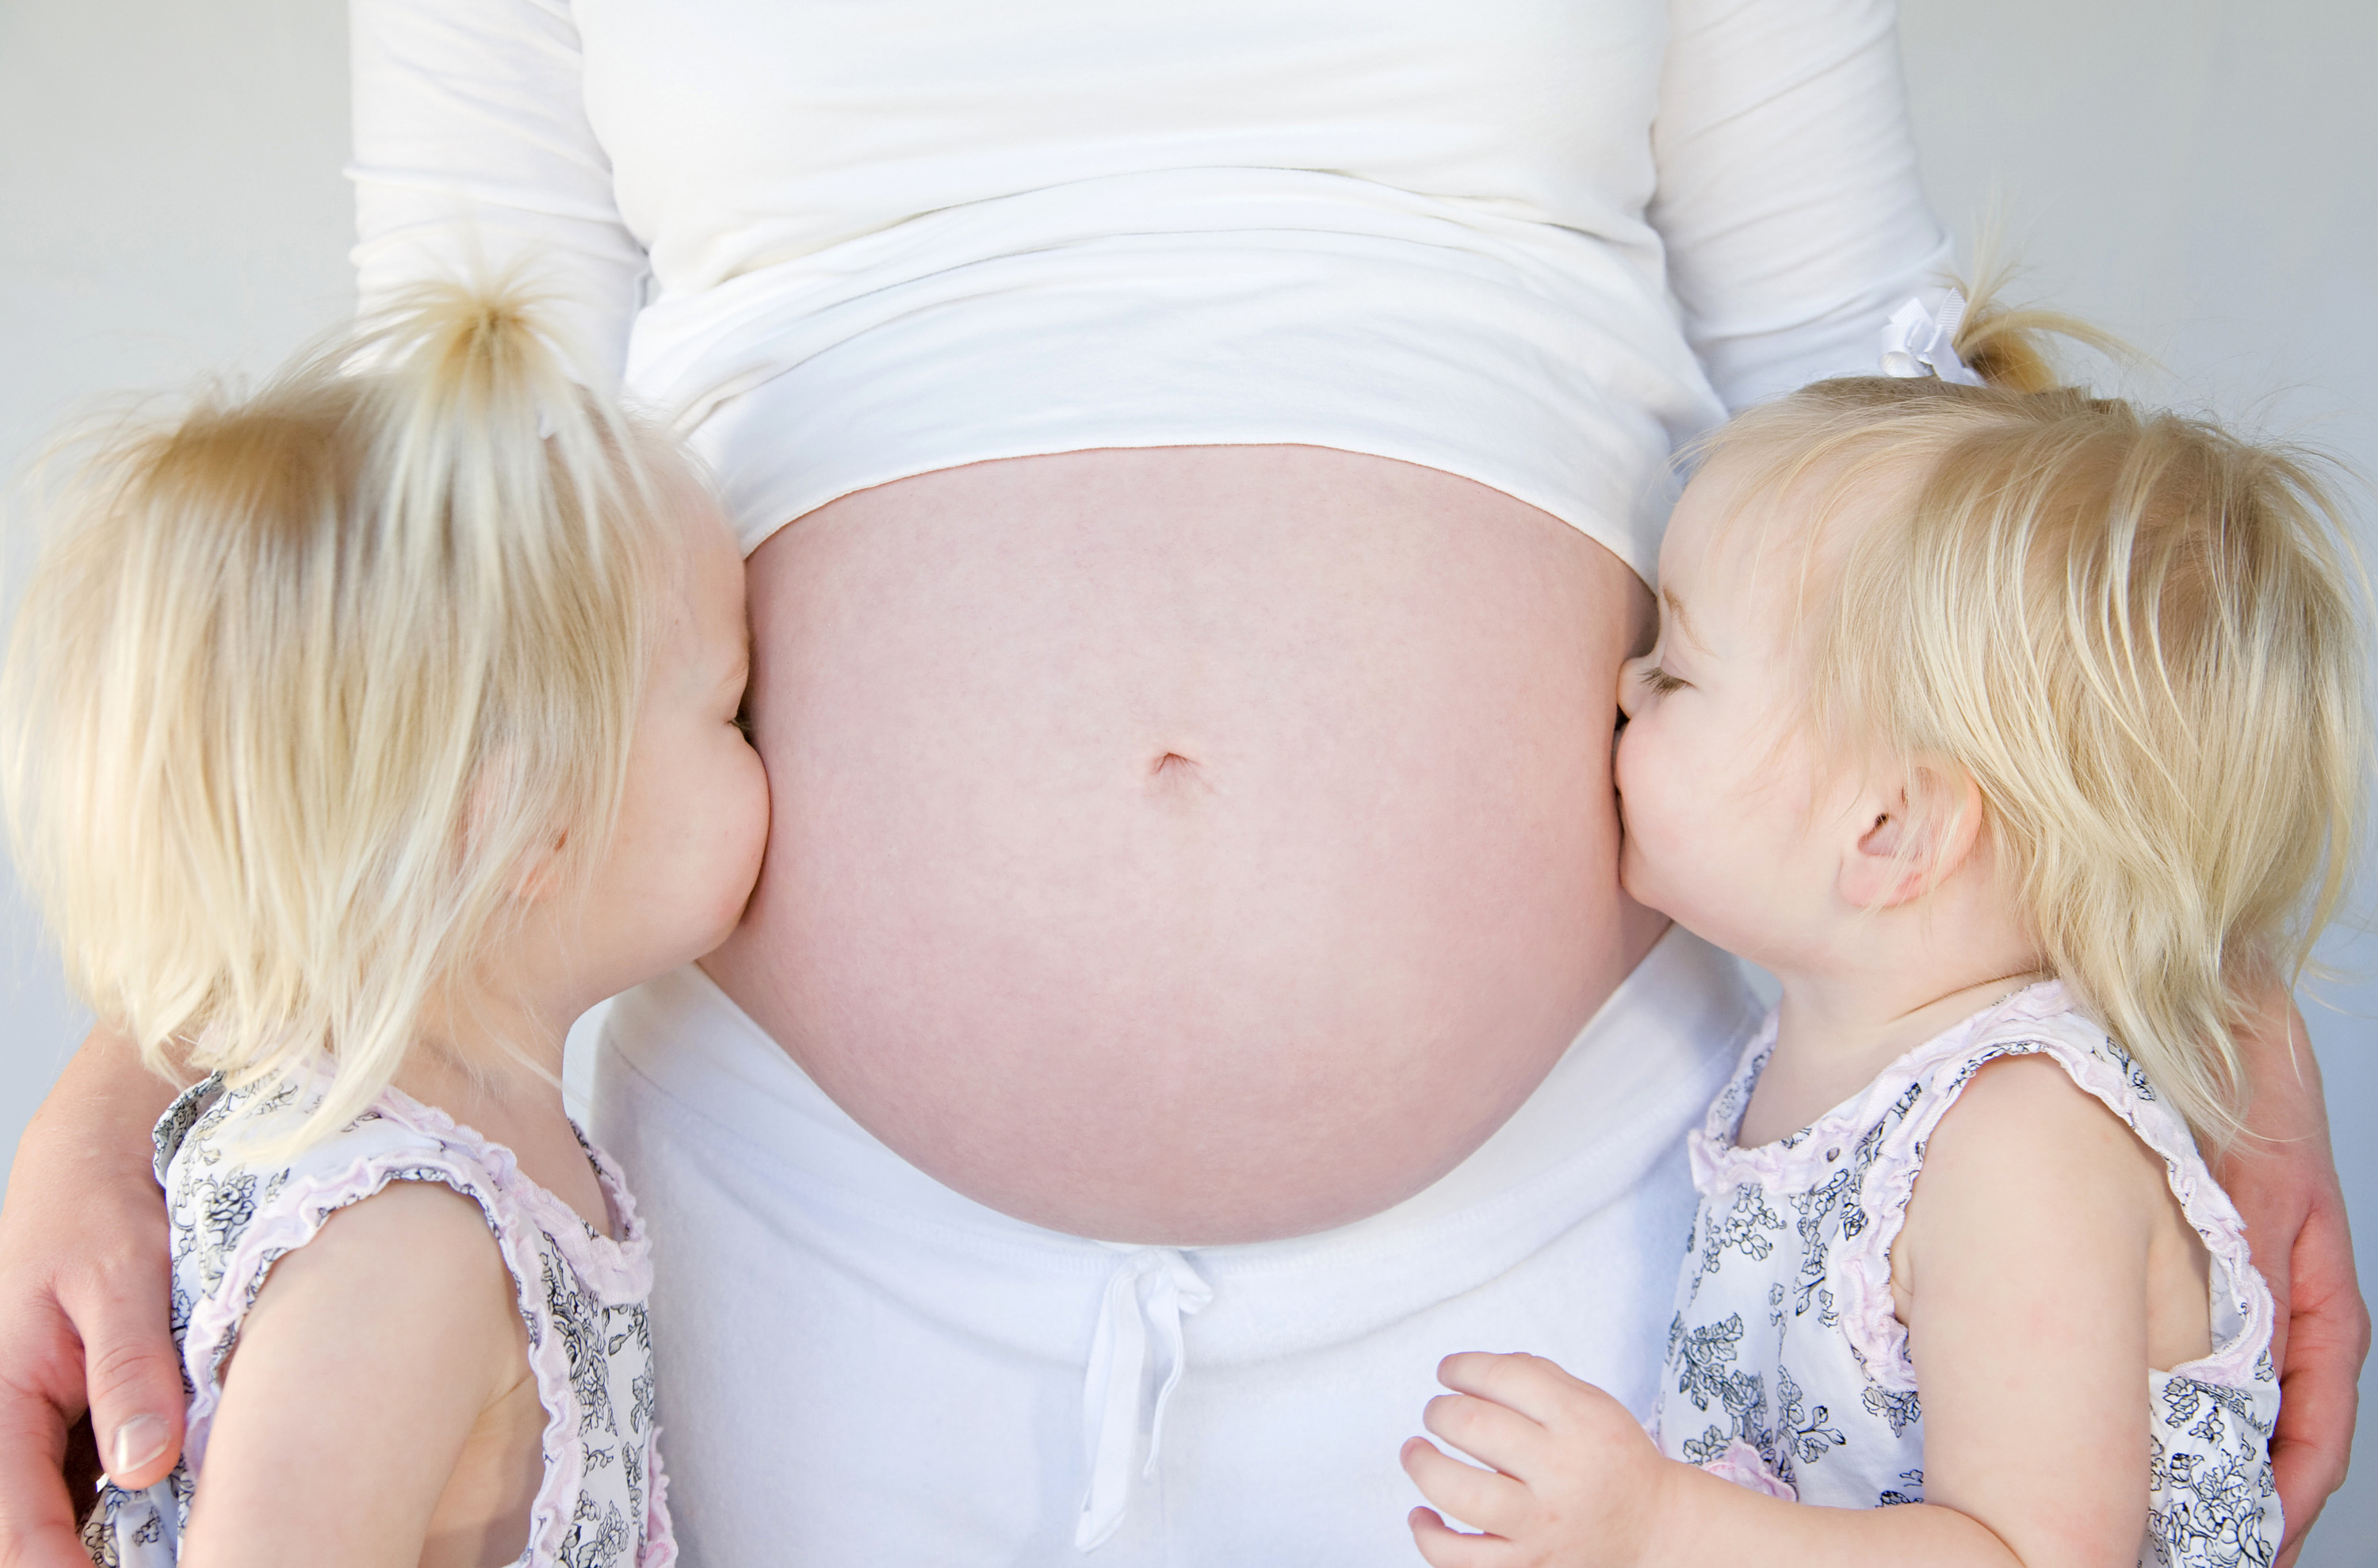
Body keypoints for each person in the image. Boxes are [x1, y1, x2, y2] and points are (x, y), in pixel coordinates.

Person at [0, 2, 2361, 1563]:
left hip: (1600, 1255)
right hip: (768, 1241)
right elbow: (421, 491)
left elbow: (1869, 386)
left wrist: (2176, 943)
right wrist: (207, 1022)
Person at [1397, 289, 2365, 1566]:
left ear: (1890, 832)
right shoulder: (1853, 1062)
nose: (1622, 687)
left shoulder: (2018, 1146)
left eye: (1674, 669)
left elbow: (2035, 1555)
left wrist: (1658, 1526)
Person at [0, 286, 767, 1565]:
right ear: (527, 816)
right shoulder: (405, 1248)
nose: (770, 754)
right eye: (734, 709)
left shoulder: (460, 1166)